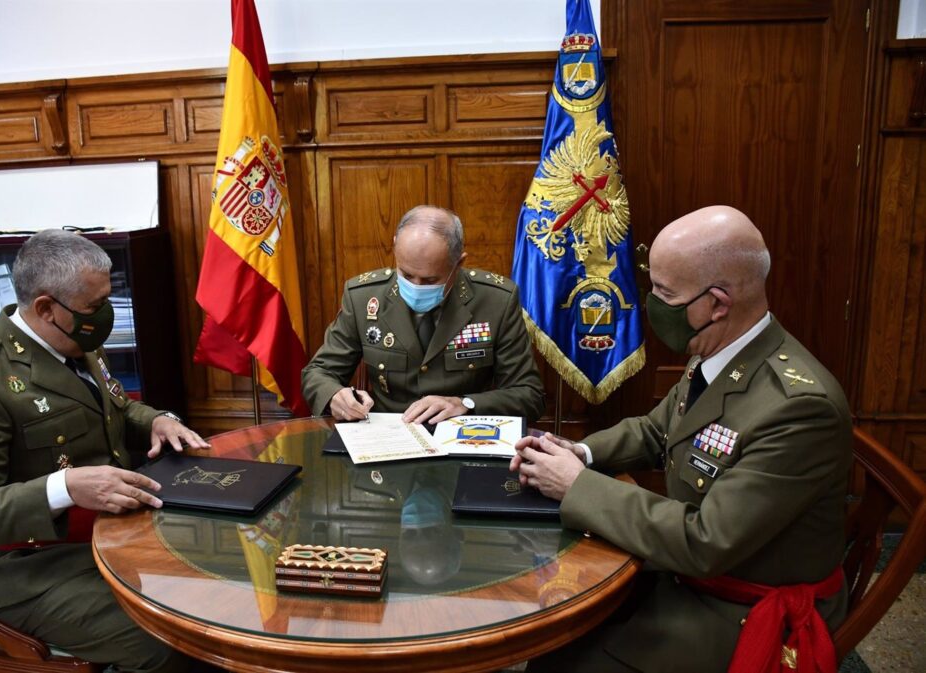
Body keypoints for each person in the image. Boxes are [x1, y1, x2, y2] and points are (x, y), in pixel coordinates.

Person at [511, 206, 852, 673]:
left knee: (560, 656)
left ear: (716, 303)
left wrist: (576, 485)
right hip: (686, 576)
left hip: (735, 608)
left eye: (665, 294)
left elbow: (704, 541)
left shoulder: (797, 408)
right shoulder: (719, 349)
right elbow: (656, 429)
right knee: (556, 626)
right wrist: (581, 453)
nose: (651, 306)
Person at [0, 230, 211, 672]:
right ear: (45, 308)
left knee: (214, 594)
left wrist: (157, 420)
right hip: (34, 571)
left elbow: (116, 411)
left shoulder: (75, 339)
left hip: (111, 536)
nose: (105, 317)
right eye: (95, 306)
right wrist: (63, 487)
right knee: (173, 642)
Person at [302, 205, 546, 423]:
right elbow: (319, 372)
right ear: (395, 246)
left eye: (430, 279)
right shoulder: (363, 297)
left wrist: (466, 404)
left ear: (458, 263)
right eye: (406, 275)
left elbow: (529, 394)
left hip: (462, 438)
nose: (416, 286)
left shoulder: (496, 301)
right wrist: (335, 395)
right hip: (387, 439)